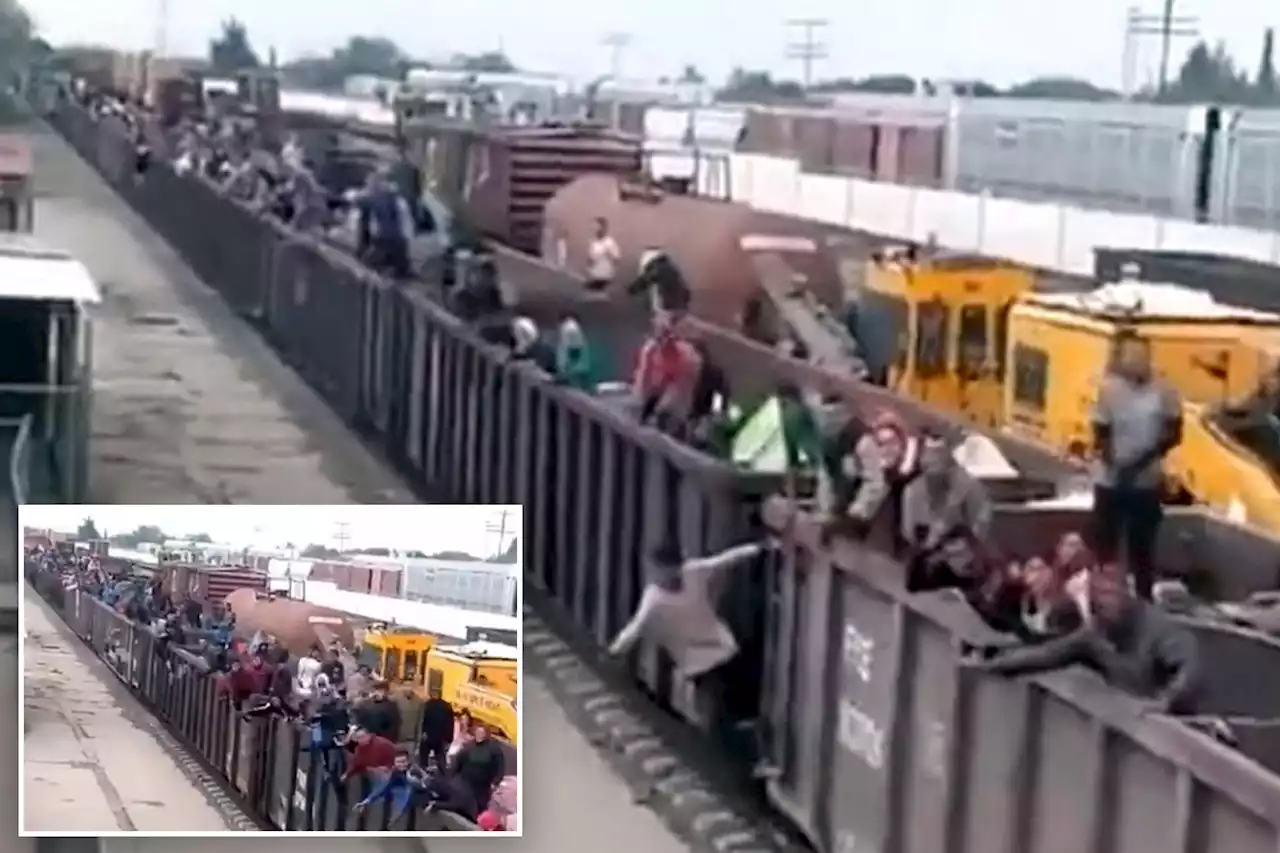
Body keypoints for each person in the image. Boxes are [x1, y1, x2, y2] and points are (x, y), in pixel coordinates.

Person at [967, 566, 1202, 714]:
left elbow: (1190, 668)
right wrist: (992, 666)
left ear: (1127, 596)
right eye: (1101, 598)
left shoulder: (1156, 628)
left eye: (1113, 596)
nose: (1107, 604)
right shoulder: (1096, 633)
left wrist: (1165, 702)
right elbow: (1048, 655)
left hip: (1173, 715)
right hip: (1129, 711)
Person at [1091, 333, 1182, 600]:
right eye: (1132, 356)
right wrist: (1113, 463)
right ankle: (1103, 598)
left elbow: (1174, 432)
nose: (1138, 362)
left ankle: (1143, 601)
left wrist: (1142, 462)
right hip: (1111, 481)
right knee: (1105, 547)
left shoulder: (1165, 389)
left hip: (1146, 481)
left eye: (1142, 356)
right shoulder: (1109, 389)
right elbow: (1101, 429)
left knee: (1141, 549)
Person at [608, 539, 768, 678]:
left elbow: (725, 559)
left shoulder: (692, 572)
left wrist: (757, 548)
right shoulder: (654, 597)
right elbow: (636, 626)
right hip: (697, 664)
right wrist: (615, 650)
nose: (665, 575)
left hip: (723, 649)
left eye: (669, 568)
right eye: (661, 570)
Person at [353, 749, 428, 825]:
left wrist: (398, 814)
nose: (401, 764)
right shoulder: (396, 772)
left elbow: (419, 789)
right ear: (394, 762)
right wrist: (366, 801)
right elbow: (383, 787)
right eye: (398, 762)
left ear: (408, 761)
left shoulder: (413, 772)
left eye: (403, 761)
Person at [451, 722, 505, 812]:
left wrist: (495, 782)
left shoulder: (494, 749)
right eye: (477, 732)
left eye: (482, 733)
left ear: (486, 734)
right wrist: (452, 775)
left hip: (483, 786)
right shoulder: (468, 746)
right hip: (466, 782)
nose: (479, 735)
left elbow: (500, 767)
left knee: (479, 807)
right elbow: (458, 761)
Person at [555, 317, 596, 391]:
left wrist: (562, 369)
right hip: (580, 367)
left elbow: (564, 349)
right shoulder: (575, 329)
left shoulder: (567, 329)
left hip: (573, 369)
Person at [418, 689, 455, 769]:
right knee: (441, 759)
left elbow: (422, 720)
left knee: (423, 759)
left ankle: (423, 771)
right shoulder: (446, 706)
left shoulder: (426, 705)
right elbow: (450, 724)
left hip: (428, 736)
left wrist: (422, 732)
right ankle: (442, 774)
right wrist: (448, 739)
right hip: (440, 738)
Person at [585, 217, 621, 292]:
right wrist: (589, 266)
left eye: (596, 226)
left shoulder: (609, 242)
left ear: (602, 228)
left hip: (604, 277)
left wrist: (609, 254)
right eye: (593, 226)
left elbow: (617, 258)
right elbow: (591, 259)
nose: (593, 228)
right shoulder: (593, 241)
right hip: (594, 275)